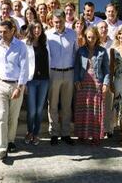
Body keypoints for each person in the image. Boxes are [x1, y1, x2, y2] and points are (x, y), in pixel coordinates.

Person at [0, 20, 29, 160]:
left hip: (16, 85)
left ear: (12, 31)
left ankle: (10, 141)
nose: (2, 34)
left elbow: (24, 68)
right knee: (1, 116)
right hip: (1, 84)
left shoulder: (21, 46)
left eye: (5, 32)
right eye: (0, 32)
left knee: (13, 117)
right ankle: (2, 148)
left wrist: (19, 87)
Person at [46, 9, 78, 146]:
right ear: (52, 22)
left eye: (60, 21)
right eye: (55, 22)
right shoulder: (47, 35)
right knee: (52, 104)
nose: (58, 24)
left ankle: (65, 133)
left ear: (65, 20)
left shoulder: (72, 34)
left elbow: (76, 53)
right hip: (54, 72)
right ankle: (54, 133)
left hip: (69, 73)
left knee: (66, 104)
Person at [74, 27, 110, 146]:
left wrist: (105, 83)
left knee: (96, 111)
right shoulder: (81, 51)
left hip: (97, 84)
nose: (91, 39)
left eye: (93, 37)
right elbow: (77, 67)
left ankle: (96, 136)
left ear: (97, 37)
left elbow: (106, 69)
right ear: (85, 37)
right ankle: (82, 135)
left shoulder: (102, 51)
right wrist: (76, 81)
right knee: (83, 110)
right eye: (88, 37)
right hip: (83, 83)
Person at [23, 21, 50, 146]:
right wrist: (23, 83)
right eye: (34, 28)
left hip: (44, 80)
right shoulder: (25, 44)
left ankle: (36, 133)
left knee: (39, 110)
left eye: (39, 28)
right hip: (31, 81)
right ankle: (29, 131)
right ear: (31, 29)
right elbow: (22, 64)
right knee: (32, 110)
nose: (37, 30)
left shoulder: (46, 43)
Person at [98, 21, 115, 137]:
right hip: (97, 77)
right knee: (98, 104)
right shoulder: (94, 43)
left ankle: (109, 129)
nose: (103, 29)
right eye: (101, 28)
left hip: (110, 76)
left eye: (105, 27)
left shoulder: (113, 43)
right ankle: (99, 128)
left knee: (109, 103)